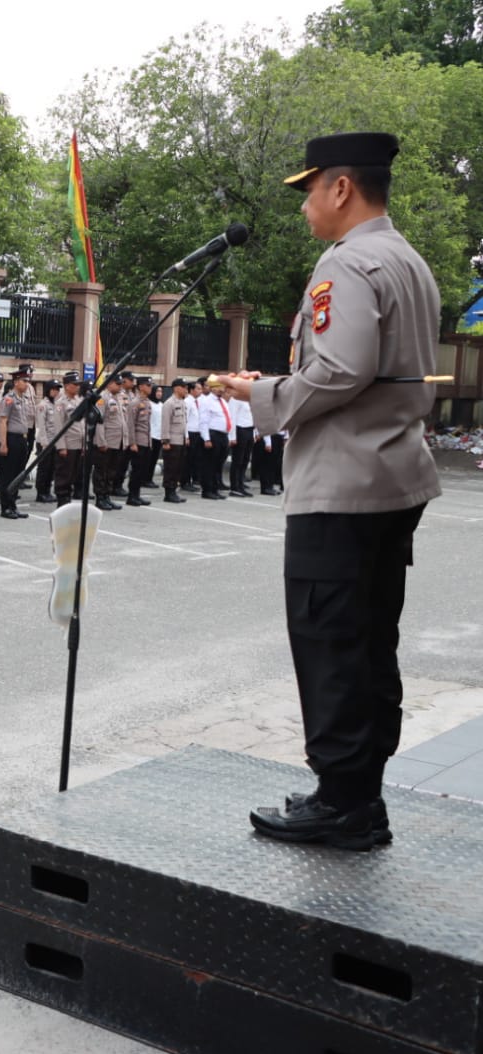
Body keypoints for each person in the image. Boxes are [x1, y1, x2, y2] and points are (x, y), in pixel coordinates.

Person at [235, 131, 441, 849]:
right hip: (392, 475)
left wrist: (262, 394)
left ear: (342, 187)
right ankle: (358, 794)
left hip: (341, 484)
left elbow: (340, 369)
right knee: (369, 639)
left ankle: (343, 804)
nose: (305, 207)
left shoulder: (347, 261)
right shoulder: (407, 260)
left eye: (309, 191)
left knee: (329, 642)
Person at [0, 364, 35, 519]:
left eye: (28, 381)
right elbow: (2, 421)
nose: (27, 384)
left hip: (22, 439)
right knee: (8, 475)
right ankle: (5, 507)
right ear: (16, 382)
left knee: (18, 474)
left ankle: (13, 505)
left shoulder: (23, 399)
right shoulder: (9, 399)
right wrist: (3, 443)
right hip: (11, 439)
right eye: (24, 381)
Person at [90, 374, 127, 511]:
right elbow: (99, 422)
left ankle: (107, 496)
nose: (120, 386)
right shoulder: (102, 398)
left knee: (111, 472)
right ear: (109, 383)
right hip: (106, 442)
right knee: (102, 471)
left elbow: (121, 420)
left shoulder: (117, 398)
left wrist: (125, 439)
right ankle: (100, 498)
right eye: (118, 384)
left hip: (117, 442)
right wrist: (101, 442)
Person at [52, 371, 86, 506]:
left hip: (78, 444)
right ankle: (62, 501)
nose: (78, 387)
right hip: (67, 445)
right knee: (64, 475)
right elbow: (58, 426)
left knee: (73, 475)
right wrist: (61, 447)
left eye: (78, 384)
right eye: (75, 384)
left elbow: (82, 424)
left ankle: (68, 499)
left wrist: (84, 445)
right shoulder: (61, 403)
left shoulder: (79, 401)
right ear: (66, 386)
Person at [197, 380, 233, 499]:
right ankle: (207, 490)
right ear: (212, 388)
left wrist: (229, 436)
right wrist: (206, 439)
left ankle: (215, 489)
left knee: (218, 464)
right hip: (213, 435)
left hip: (223, 435)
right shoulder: (207, 401)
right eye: (219, 387)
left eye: (222, 387)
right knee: (209, 464)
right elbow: (203, 421)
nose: (222, 389)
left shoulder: (223, 401)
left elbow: (228, 419)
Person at [125, 377, 155, 507]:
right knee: (136, 471)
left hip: (146, 440)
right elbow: (130, 424)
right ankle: (132, 496)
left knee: (142, 470)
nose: (150, 388)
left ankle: (137, 495)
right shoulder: (135, 403)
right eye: (148, 385)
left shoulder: (147, 402)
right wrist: (132, 442)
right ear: (141, 387)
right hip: (138, 441)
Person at [160, 379, 190, 503]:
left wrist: (186, 437)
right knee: (171, 468)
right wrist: (165, 441)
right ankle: (169, 492)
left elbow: (184, 423)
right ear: (176, 388)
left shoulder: (182, 403)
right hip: (172, 441)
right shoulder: (169, 403)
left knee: (178, 467)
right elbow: (165, 423)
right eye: (184, 387)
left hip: (181, 440)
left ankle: (174, 490)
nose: (186, 390)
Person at [33, 379, 61, 504]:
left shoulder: (57, 405)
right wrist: (44, 443)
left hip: (55, 441)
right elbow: (41, 426)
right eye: (54, 389)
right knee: (44, 468)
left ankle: (47, 491)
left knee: (51, 469)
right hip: (45, 442)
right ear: (48, 390)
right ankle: (41, 493)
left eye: (58, 389)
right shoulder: (42, 405)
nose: (56, 391)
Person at [228, 387, 255, 496]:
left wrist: (254, 434)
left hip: (249, 429)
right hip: (240, 429)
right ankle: (234, 487)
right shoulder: (235, 399)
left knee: (245, 459)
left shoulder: (248, 399)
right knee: (237, 460)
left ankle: (240, 484)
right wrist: (232, 436)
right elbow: (232, 418)